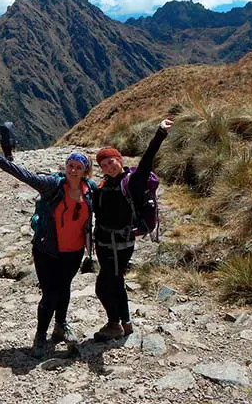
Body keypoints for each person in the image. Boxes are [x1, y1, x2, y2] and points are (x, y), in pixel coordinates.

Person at [0, 143, 97, 357]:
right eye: (70, 165)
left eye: (78, 167)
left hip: (74, 251)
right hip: (47, 250)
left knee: (64, 288)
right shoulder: (52, 185)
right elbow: (26, 176)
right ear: (66, 166)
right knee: (51, 293)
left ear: (85, 171)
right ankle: (40, 335)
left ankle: (60, 326)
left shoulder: (90, 191)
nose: (73, 170)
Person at [92, 118, 173, 341]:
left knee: (102, 287)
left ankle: (113, 324)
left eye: (111, 161)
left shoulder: (132, 181)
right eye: (104, 164)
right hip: (106, 242)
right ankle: (125, 323)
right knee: (117, 282)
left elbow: (147, 160)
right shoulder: (105, 184)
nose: (108, 166)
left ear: (119, 160)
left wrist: (160, 133)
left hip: (119, 244)